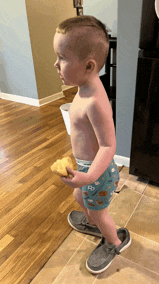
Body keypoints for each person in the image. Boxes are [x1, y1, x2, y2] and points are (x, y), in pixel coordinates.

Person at [53, 15, 131, 274]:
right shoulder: (83, 87)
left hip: (97, 173)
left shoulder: (95, 101)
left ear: (88, 66)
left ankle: (114, 241)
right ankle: (94, 221)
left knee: (99, 212)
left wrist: (88, 177)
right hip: (88, 169)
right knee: (78, 196)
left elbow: (108, 146)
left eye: (62, 58)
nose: (56, 64)